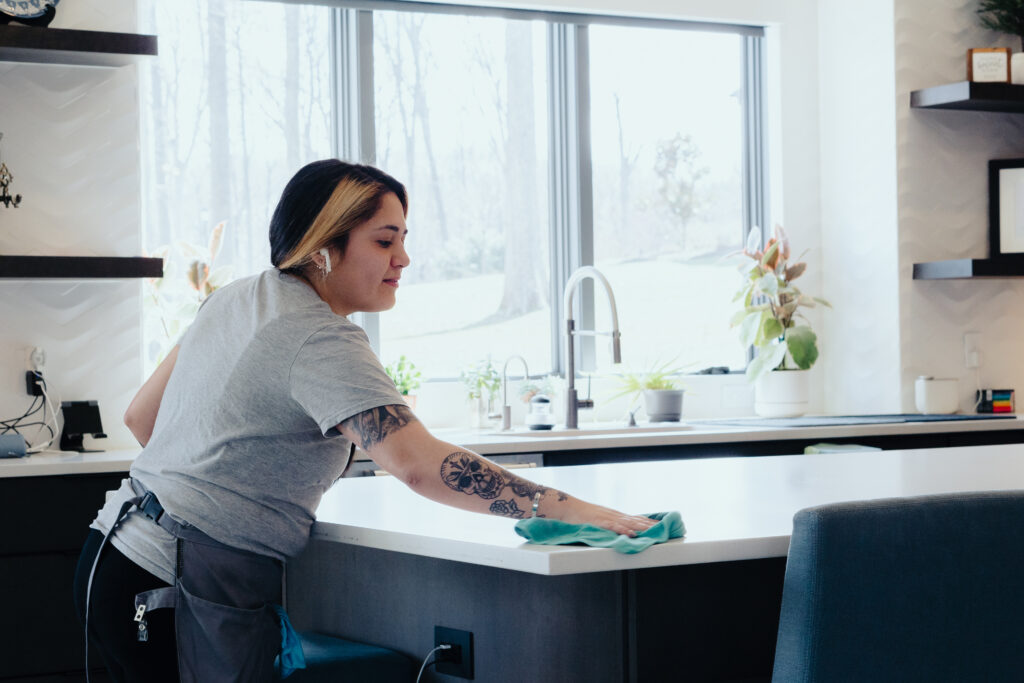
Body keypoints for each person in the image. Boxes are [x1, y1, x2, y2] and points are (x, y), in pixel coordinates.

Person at [72, 159, 656, 682]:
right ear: (323, 246)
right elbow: (420, 467)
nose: (403, 258)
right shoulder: (319, 336)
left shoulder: (236, 298)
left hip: (111, 559)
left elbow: (142, 417)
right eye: (384, 241)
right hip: (176, 585)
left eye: (402, 239)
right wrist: (569, 508)